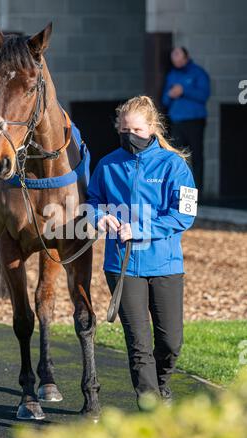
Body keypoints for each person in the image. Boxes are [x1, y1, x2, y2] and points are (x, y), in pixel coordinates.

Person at [86, 95, 197, 408]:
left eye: (135, 128)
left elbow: (184, 215)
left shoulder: (175, 165)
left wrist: (141, 229)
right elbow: (92, 201)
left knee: (171, 342)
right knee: (138, 343)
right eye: (123, 129)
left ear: (151, 128)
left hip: (165, 264)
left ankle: (161, 385)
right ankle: (149, 403)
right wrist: (99, 216)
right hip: (122, 265)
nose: (128, 135)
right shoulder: (107, 164)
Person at [162, 47, 210, 200]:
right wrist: (171, 94)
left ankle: (198, 194)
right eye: (172, 55)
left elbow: (204, 95)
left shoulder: (198, 73)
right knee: (176, 157)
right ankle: (176, 193)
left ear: (186, 56)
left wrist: (184, 90)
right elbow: (165, 99)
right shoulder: (172, 74)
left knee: (196, 157)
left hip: (195, 121)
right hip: (177, 122)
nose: (174, 58)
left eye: (177, 54)